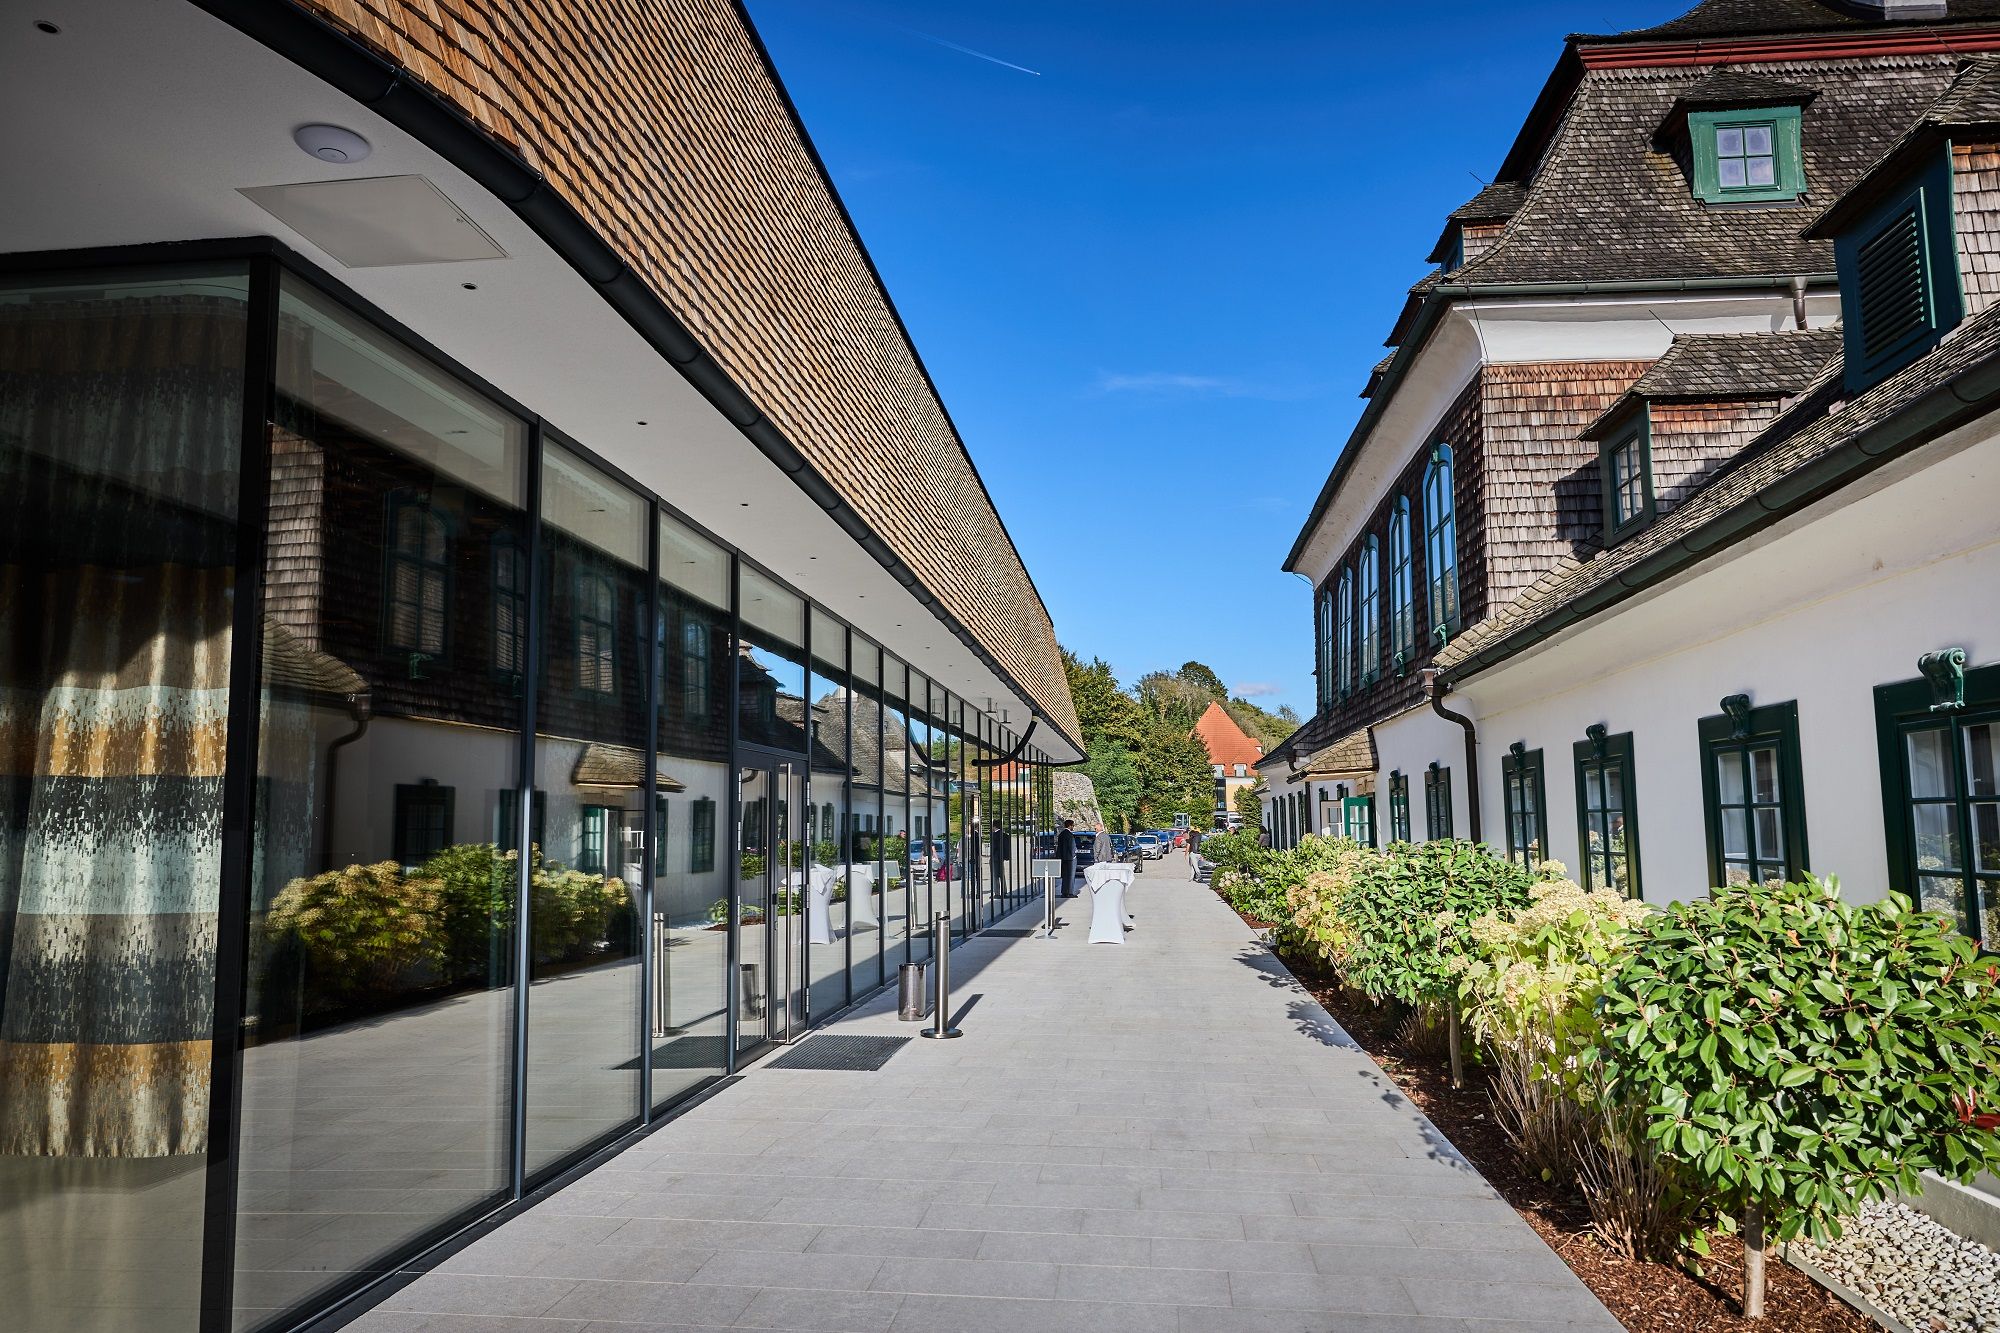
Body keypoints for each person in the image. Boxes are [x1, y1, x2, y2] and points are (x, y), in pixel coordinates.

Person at [1056, 818, 1077, 898]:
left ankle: (1064, 892)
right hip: (1070, 859)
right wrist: (1074, 855)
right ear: (1070, 825)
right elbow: (1072, 847)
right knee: (1071, 876)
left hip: (1063, 858)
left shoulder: (1061, 834)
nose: (1073, 827)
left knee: (1065, 876)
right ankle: (1069, 892)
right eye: (1073, 825)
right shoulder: (1069, 835)